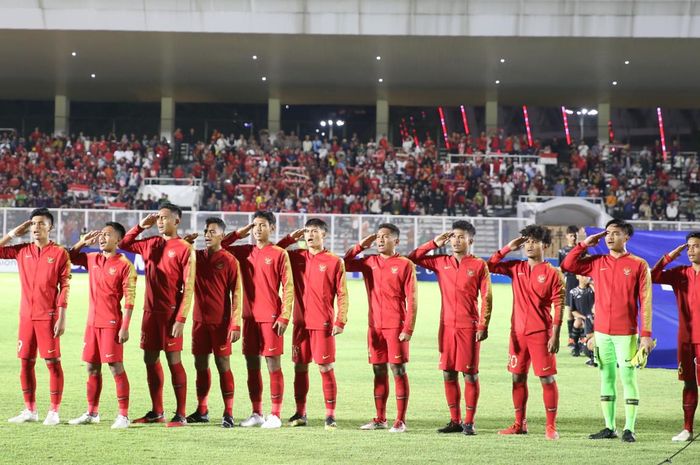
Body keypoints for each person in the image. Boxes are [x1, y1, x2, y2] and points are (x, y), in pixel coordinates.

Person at [561, 219, 654, 443]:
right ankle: (609, 427)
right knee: (606, 377)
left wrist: (646, 335)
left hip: (627, 333)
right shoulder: (596, 261)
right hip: (602, 333)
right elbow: (568, 265)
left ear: (627, 237)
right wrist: (584, 245)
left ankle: (629, 428)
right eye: (608, 233)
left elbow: (646, 302)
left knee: (628, 378)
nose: (610, 237)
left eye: (616, 233)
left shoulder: (639, 264)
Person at [407, 220, 492, 435]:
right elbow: (413, 258)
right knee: (448, 372)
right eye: (453, 236)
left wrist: (483, 324)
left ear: (470, 240)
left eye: (461, 236)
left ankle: (469, 422)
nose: (456, 240)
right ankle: (455, 420)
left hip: (469, 327)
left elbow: (487, 297)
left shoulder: (479, 265)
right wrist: (434, 243)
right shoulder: (441, 262)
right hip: (446, 327)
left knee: (470, 374)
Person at [119, 203, 196, 427]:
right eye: (158, 218)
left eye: (164, 218)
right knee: (149, 359)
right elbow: (125, 244)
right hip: (149, 313)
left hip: (171, 315)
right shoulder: (151, 243)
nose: (160, 221)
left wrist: (181, 319)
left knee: (174, 360)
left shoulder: (184, 248)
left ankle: (181, 414)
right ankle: (157, 411)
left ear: (177, 221)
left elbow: (188, 287)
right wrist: (141, 226)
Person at [487, 225, 564, 440]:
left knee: (546, 379)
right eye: (527, 241)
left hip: (541, 333)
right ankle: (519, 424)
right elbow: (489, 266)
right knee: (517, 378)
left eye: (534, 241)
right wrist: (508, 248)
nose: (529, 245)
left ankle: (551, 426)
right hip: (517, 334)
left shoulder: (552, 273)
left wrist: (555, 334)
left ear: (545, 246)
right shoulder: (516, 268)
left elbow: (559, 303)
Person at [220, 211, 293, 429]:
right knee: (252, 364)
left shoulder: (279, 253)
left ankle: (276, 414)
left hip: (271, 317)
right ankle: (257, 412)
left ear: (272, 227)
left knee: (272, 364)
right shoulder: (244, 252)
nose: (257, 229)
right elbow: (221, 245)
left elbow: (288, 287)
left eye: (262, 225)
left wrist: (284, 315)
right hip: (249, 317)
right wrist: (238, 233)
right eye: (255, 226)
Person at [276, 218, 349, 430]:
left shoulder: (335, 261)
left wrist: (340, 320)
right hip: (300, 324)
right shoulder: (296, 257)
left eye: (314, 231)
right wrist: (291, 238)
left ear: (323, 235)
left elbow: (342, 294)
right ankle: (300, 413)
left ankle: (330, 416)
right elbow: (275, 250)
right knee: (300, 367)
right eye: (307, 231)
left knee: (325, 367)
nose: (309, 235)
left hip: (323, 324)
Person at [344, 223, 417, 433]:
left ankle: (400, 420)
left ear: (396, 241)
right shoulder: (369, 262)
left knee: (398, 369)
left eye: (385, 236)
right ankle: (380, 418)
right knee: (378, 370)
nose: (380, 240)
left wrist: (408, 328)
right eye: (378, 237)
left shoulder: (404, 264)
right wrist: (360, 245)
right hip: (374, 326)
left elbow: (412, 299)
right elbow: (345, 264)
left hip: (396, 327)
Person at [1, 208, 71, 426]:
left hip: (48, 317)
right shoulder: (22, 250)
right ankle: (30, 410)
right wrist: (13, 233)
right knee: (25, 363)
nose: (36, 227)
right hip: (26, 317)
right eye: (33, 224)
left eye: (41, 223)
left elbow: (65, 286)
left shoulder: (59, 253)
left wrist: (62, 316)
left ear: (50, 227)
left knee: (52, 362)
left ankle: (54, 411)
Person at [67, 222, 136, 429]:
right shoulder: (92, 258)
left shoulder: (125, 265)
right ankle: (92, 412)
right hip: (92, 324)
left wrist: (125, 326)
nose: (102, 238)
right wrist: (82, 242)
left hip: (112, 324)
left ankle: (123, 416)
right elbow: (68, 257)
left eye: (107, 235)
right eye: (101, 235)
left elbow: (130, 299)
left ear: (118, 240)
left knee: (115, 367)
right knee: (91, 368)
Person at [183, 218, 243, 428]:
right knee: (200, 366)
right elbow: (177, 260)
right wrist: (185, 242)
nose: (207, 235)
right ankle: (202, 409)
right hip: (199, 322)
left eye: (212, 231)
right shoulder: (195, 257)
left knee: (222, 365)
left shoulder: (229, 260)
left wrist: (235, 324)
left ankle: (228, 412)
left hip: (221, 324)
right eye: (206, 231)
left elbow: (237, 294)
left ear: (222, 236)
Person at [650, 232, 700, 442]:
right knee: (688, 383)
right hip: (686, 338)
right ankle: (687, 429)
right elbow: (652, 276)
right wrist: (670, 256)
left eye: (695, 246)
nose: (690, 250)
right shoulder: (680, 273)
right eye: (688, 246)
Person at [558, 225, 580, 351]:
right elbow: (561, 269)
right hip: (569, 281)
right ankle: (571, 338)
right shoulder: (562, 251)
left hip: (579, 280)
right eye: (571, 235)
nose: (573, 237)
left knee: (581, 310)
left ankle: (582, 337)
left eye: (575, 235)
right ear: (567, 236)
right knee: (570, 311)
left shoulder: (581, 250)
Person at [569, 275, 596, 364]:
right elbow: (573, 311)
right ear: (577, 277)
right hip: (583, 318)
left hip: (594, 318)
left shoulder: (592, 289)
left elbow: (599, 294)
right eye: (583, 276)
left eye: (588, 276)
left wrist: (592, 285)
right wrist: (584, 318)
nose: (586, 278)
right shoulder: (573, 292)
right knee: (577, 322)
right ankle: (575, 345)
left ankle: (588, 347)